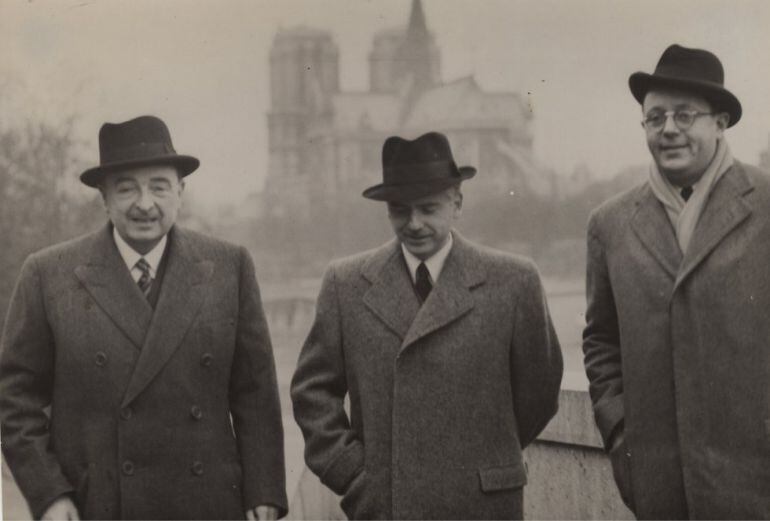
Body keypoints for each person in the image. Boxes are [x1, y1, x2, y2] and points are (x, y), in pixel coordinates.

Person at [0, 115, 288, 520]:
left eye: (159, 186)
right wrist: (49, 494)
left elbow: (255, 393)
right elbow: (13, 400)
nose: (145, 203)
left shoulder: (230, 266)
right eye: (127, 188)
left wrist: (265, 490)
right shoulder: (49, 274)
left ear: (180, 191)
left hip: (208, 504)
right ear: (103, 197)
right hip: (96, 506)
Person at [291, 131, 563, 520]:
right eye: (400, 210)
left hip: (483, 505)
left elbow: (539, 394)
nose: (414, 223)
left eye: (429, 208)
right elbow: (312, 394)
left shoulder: (514, 281)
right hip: (384, 507)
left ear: (458, 203)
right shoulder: (345, 284)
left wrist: (486, 457)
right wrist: (355, 478)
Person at [583, 44, 770, 519]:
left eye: (685, 116)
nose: (669, 130)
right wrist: (622, 437)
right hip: (658, 490)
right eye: (655, 117)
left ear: (720, 123)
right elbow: (601, 342)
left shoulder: (765, 205)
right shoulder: (610, 223)